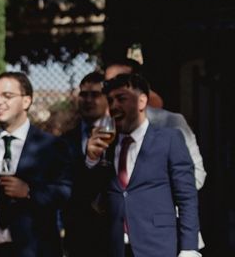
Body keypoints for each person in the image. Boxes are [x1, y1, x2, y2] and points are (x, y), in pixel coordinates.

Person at [85, 73, 199, 257]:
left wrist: (189, 249)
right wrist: (90, 160)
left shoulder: (169, 140)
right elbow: (90, 196)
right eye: (110, 100)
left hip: (158, 246)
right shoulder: (105, 145)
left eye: (121, 99)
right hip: (114, 248)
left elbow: (187, 197)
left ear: (142, 101)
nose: (114, 106)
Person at [0, 72, 72, 257]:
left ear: (26, 101)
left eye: (7, 96)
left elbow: (65, 192)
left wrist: (30, 191)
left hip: (35, 249)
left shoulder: (51, 146)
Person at [105, 58, 206, 189]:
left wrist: (156, 197)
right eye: (108, 83)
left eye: (120, 81)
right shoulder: (106, 127)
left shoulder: (170, 122)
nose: (113, 89)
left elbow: (196, 174)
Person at [61, 72, 109, 257]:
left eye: (95, 95)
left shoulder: (120, 136)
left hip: (114, 233)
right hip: (78, 235)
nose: (88, 100)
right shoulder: (64, 142)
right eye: (84, 94)